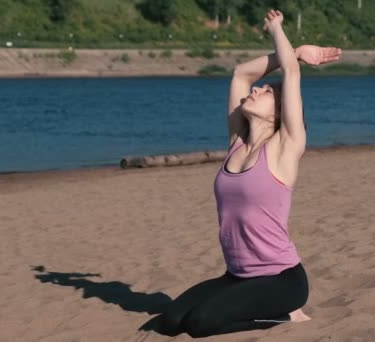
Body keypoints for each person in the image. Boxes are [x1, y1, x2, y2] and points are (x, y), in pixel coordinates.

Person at [142, 9, 342, 338]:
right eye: (258, 89)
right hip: (237, 275)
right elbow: (240, 74)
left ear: (279, 113)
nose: (256, 90)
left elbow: (291, 75)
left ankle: (287, 316)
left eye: (265, 93)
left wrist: (279, 32)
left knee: (200, 324)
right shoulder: (237, 141)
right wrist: (291, 53)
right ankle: (247, 303)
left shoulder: (285, 147)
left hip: (281, 279)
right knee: (171, 320)